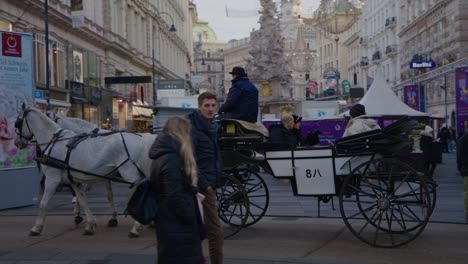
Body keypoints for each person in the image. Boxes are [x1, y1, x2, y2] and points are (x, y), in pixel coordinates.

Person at [149, 117, 205, 264]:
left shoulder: (163, 155)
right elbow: (174, 196)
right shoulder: (171, 159)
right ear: (180, 133)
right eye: (187, 132)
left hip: (170, 224)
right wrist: (191, 214)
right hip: (177, 226)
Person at [187, 92, 224, 264]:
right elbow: (190, 160)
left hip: (209, 181)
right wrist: (206, 185)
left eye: (213, 105)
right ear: (199, 107)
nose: (210, 109)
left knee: (198, 228)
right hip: (201, 185)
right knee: (215, 230)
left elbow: (214, 155)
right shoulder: (194, 128)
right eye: (206, 106)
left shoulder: (210, 126)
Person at [456, 123, 468, 221]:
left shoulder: (461, 140)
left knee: (467, 192)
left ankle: (467, 212)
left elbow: (459, 157)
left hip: (466, 169)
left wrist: (460, 168)